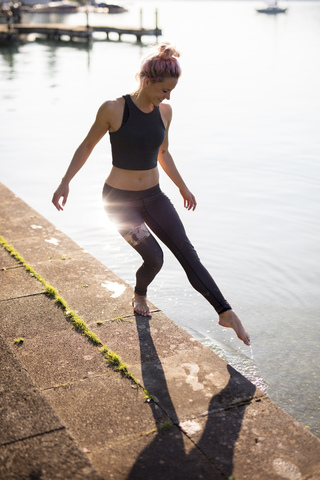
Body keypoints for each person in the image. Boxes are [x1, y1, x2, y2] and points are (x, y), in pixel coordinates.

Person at [52, 43, 250, 347]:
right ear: (147, 81)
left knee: (186, 251)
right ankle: (140, 294)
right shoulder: (114, 108)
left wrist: (183, 186)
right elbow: (86, 145)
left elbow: (163, 152)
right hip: (118, 203)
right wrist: (66, 181)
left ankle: (225, 312)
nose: (167, 97)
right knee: (154, 257)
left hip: (155, 197)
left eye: (171, 91)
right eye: (164, 90)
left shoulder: (166, 112)